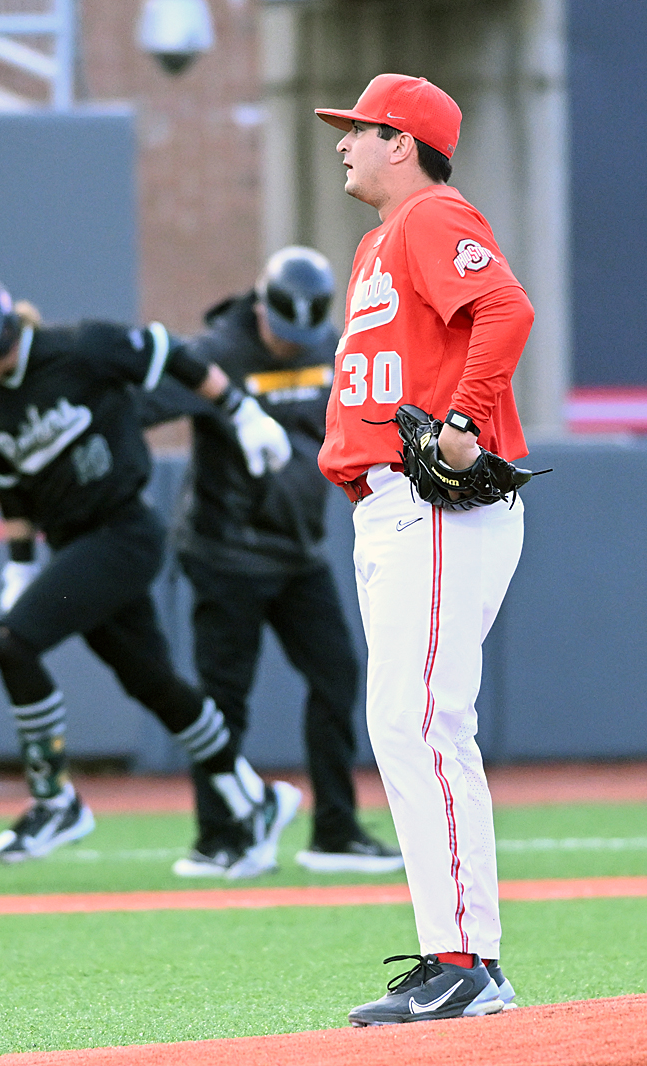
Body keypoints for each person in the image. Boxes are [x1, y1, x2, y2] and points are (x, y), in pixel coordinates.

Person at [0, 269, 302, 874]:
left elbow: (172, 354)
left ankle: (55, 801)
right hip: (75, 545)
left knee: (14, 646)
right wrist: (19, 567)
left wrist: (241, 410)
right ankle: (249, 798)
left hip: (123, 532)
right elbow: (12, 490)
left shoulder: (80, 347)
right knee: (154, 684)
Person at [314, 74, 534, 1023]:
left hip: (430, 503)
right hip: (389, 508)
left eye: (357, 130)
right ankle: (464, 957)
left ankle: (465, 964)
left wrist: (458, 419)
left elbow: (507, 309)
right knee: (412, 723)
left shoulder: (432, 212)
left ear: (401, 141)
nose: (342, 145)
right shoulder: (378, 241)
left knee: (418, 722)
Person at [139, 247, 403, 878]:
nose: (291, 347)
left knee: (337, 675)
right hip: (223, 553)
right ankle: (220, 838)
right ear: (261, 308)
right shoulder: (218, 354)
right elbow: (142, 407)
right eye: (283, 333)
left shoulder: (331, 349)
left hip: (299, 553)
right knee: (223, 697)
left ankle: (335, 831)